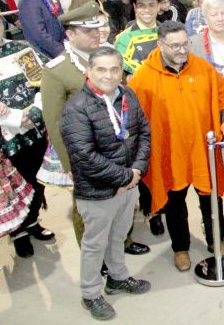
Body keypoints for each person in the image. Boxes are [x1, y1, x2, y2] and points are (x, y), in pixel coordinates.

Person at [41, 1, 151, 253]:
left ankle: (124, 241)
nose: (96, 34)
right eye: (87, 31)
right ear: (70, 35)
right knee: (88, 208)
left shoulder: (110, 55)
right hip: (86, 154)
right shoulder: (58, 71)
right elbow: (55, 122)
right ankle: (97, 255)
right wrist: (70, 164)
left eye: (97, 28)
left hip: (119, 147)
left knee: (124, 199)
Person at [128, 21, 224, 271]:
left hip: (202, 150)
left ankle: (215, 240)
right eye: (175, 46)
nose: (182, 50)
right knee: (175, 204)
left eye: (185, 44)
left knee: (212, 199)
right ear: (160, 45)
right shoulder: (144, 77)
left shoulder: (202, 67)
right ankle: (181, 248)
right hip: (169, 153)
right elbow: (133, 117)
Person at [60, 47, 151, 321]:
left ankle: (118, 277)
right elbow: (84, 157)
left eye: (114, 69)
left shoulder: (128, 95)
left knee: (119, 235)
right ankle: (90, 294)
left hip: (128, 184)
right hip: (98, 192)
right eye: (101, 69)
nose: (109, 75)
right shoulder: (76, 108)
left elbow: (144, 131)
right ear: (89, 71)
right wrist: (124, 177)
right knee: (94, 244)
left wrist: (136, 170)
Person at [0, 16, 54, 258]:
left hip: (35, 127)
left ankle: (32, 220)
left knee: (38, 178)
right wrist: (13, 118)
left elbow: (44, 83)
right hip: (5, 138)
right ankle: (18, 230)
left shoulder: (21, 50)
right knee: (16, 183)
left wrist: (33, 113)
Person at [114, 0, 165, 76]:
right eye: (141, 5)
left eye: (151, 5)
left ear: (158, 6)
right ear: (135, 7)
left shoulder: (168, 33)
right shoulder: (124, 38)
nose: (147, 10)